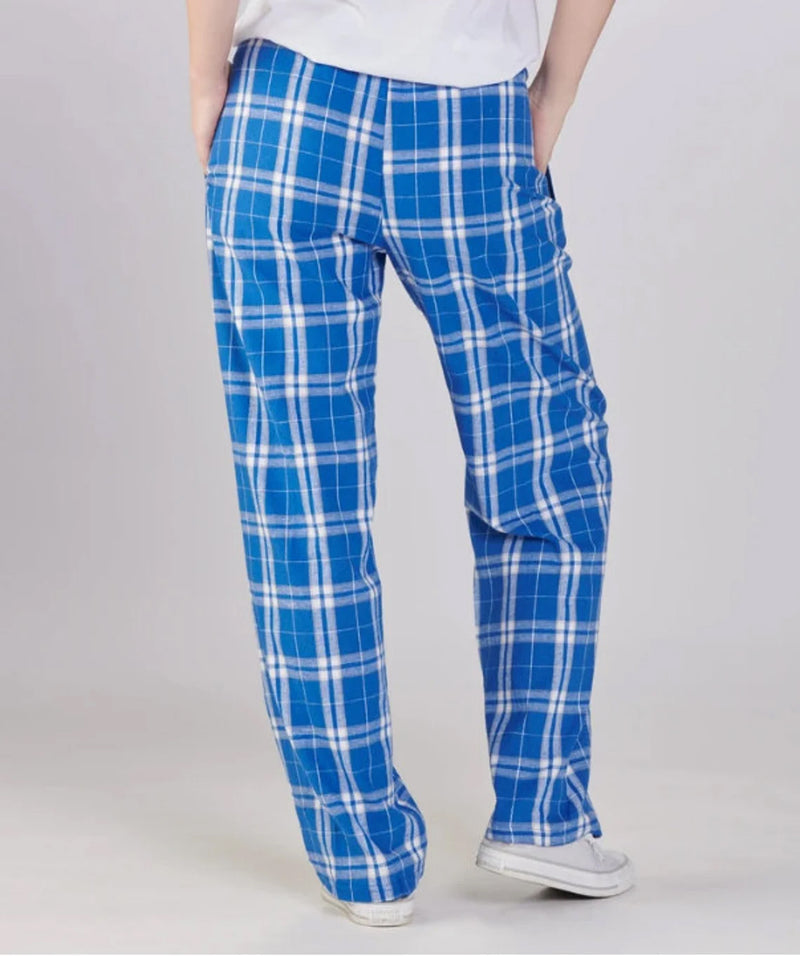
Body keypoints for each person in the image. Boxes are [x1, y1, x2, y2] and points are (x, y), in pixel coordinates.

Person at [185, 0, 634, 928]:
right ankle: (542, 811)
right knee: (545, 457)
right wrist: (554, 90)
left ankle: (362, 859)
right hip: (468, 117)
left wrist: (204, 81)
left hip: (286, 113)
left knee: (303, 496)